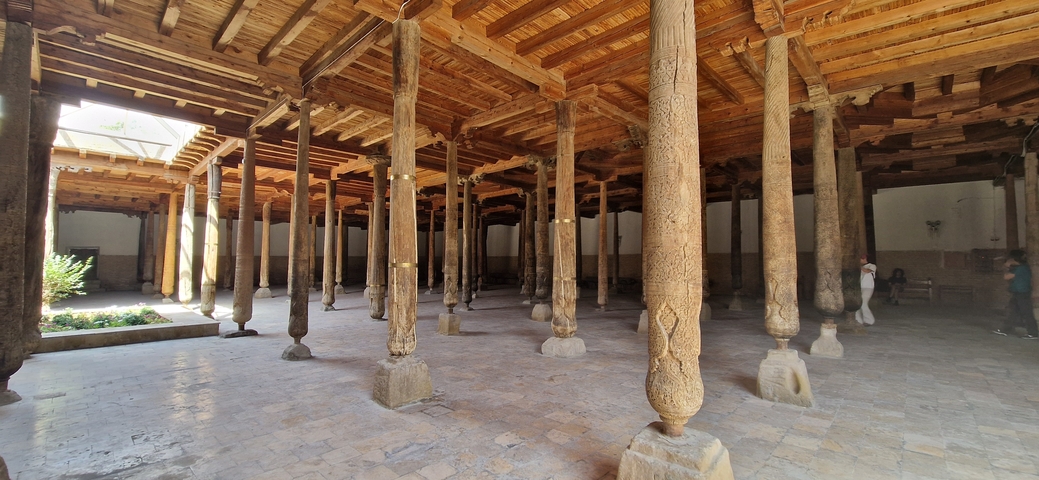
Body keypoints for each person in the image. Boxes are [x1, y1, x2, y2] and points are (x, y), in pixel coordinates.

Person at [993, 249, 1039, 339]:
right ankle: (1006, 329)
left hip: (1022, 294)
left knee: (1027, 313)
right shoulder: (1022, 267)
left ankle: (1034, 333)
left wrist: (1006, 267)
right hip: (1018, 293)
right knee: (1012, 312)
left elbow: (1006, 277)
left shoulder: (1021, 268)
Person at [855, 254, 877, 326]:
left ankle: (869, 320)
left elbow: (867, 271)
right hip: (859, 287)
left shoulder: (872, 266)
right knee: (857, 304)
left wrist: (859, 266)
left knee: (863, 303)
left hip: (868, 287)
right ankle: (858, 320)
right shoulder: (859, 267)